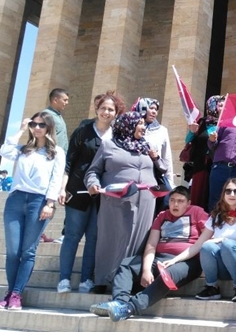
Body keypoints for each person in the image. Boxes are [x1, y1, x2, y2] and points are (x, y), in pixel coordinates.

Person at [88, 186, 209, 322]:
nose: (175, 204)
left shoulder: (197, 212)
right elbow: (151, 245)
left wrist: (176, 260)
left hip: (187, 262)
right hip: (159, 259)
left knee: (167, 275)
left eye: (180, 201)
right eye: (172, 200)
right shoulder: (162, 216)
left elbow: (210, 234)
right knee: (127, 264)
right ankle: (119, 302)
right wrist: (146, 269)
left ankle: (131, 307)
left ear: (188, 203)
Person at [85, 111, 168, 289]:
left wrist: (155, 157)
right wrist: (92, 184)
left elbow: (163, 169)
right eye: (139, 123)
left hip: (146, 200)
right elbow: (93, 171)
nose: (143, 127)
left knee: (140, 240)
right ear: (127, 125)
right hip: (116, 201)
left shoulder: (146, 146)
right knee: (111, 239)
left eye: (143, 124)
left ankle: (132, 280)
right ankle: (103, 280)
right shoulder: (108, 145)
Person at [57, 91, 125, 294]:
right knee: (72, 236)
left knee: (94, 238)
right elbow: (69, 162)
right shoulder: (83, 131)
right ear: (97, 109)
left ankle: (87, 278)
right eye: (103, 108)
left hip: (103, 195)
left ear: (116, 113)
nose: (106, 112)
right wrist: (62, 188)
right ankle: (64, 279)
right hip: (77, 191)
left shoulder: (118, 136)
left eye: (111, 109)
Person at [0, 113, 65, 310]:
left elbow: (56, 179)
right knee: (12, 252)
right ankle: (10, 291)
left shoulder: (56, 152)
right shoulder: (22, 150)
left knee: (28, 251)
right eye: (34, 124)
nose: (37, 127)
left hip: (38, 202)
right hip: (15, 199)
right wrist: (21, 129)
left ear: (48, 128)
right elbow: (4, 150)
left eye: (41, 125)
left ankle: (17, 294)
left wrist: (50, 203)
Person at [194, 178, 236, 302]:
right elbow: (198, 244)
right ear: (223, 194)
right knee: (207, 246)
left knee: (228, 245)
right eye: (228, 191)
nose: (232, 194)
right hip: (223, 267)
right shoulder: (216, 216)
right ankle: (212, 287)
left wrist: (222, 239)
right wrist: (175, 260)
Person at [185, 95, 224, 209]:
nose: (224, 108)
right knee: (199, 199)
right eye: (221, 105)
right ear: (212, 106)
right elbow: (188, 141)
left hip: (219, 167)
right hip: (201, 167)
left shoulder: (227, 124)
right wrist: (192, 132)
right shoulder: (202, 123)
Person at [132, 97, 175, 189]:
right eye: (151, 108)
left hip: (153, 177)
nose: (154, 112)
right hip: (133, 176)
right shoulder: (130, 128)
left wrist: (170, 181)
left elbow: (166, 157)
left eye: (156, 109)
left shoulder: (162, 131)